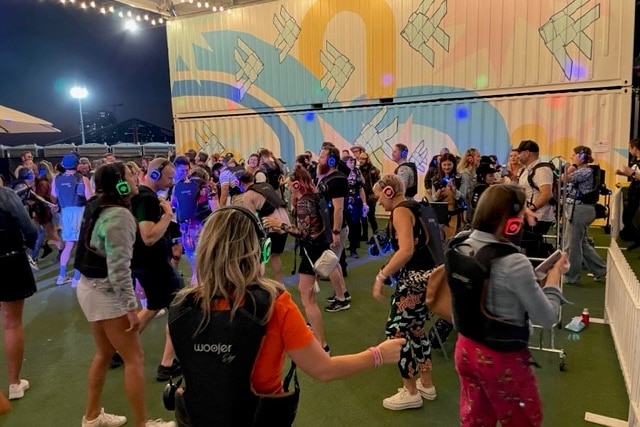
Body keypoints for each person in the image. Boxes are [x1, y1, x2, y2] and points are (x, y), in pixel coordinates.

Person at [168, 205, 405, 426]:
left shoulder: (182, 305)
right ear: (260, 249)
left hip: (197, 417)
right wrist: (378, 354)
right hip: (258, 417)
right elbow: (324, 370)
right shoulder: (273, 303)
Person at [450, 184, 568, 427]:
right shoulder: (513, 262)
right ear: (511, 222)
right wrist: (555, 277)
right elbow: (547, 317)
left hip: (465, 349)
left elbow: (488, 285)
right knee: (523, 421)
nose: (526, 217)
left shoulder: (459, 243)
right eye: (523, 212)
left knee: (475, 420)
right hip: (500, 358)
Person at [74, 163, 175, 427]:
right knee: (135, 357)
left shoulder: (96, 204)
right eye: (130, 175)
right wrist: (131, 307)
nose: (136, 178)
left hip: (89, 287)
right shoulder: (119, 215)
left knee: (104, 354)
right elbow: (119, 269)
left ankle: (92, 416)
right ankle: (142, 423)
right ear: (120, 183)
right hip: (105, 291)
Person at [371, 174, 438, 411]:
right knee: (417, 331)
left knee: (397, 334)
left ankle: (410, 391)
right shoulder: (417, 206)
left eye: (378, 194)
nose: (377, 201)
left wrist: (382, 275)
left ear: (388, 191)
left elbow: (406, 250)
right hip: (430, 277)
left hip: (413, 280)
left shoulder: (400, 211)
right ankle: (426, 385)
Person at [263, 168, 338, 350]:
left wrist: (279, 224)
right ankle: (318, 335)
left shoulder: (305, 202)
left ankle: (321, 343)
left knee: (308, 299)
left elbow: (303, 233)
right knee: (306, 293)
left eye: (290, 184)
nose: (288, 187)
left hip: (311, 252)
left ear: (297, 184)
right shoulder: (316, 197)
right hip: (319, 249)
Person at [130, 158, 184, 382]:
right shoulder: (146, 199)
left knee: (153, 306)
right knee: (180, 306)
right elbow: (149, 236)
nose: (171, 182)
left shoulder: (145, 197)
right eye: (169, 178)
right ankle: (166, 365)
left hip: (146, 263)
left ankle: (119, 350)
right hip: (154, 264)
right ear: (154, 175)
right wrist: (168, 216)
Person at [0, 186, 38, 404]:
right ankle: (14, 383)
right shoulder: (5, 194)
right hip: (10, 260)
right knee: (12, 324)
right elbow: (30, 229)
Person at [563, 146, 607, 284]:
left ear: (581, 156)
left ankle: (571, 277)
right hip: (578, 208)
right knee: (582, 243)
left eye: (574, 155)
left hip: (580, 209)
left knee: (572, 245)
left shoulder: (585, 171)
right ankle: (601, 269)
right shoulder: (585, 171)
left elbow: (564, 178)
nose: (571, 157)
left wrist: (574, 164)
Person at [51, 153, 94, 286]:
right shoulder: (82, 179)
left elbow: (53, 196)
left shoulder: (56, 179)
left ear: (63, 165)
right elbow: (90, 198)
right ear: (77, 165)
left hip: (65, 213)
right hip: (80, 212)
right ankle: (76, 278)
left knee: (69, 245)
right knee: (82, 246)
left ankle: (62, 276)